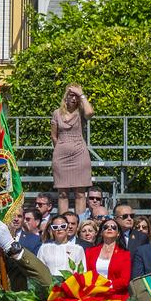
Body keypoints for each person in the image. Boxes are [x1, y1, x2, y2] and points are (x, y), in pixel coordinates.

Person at [51, 84, 94, 215]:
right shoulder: (57, 113)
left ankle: (80, 225)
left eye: (76, 96)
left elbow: (90, 113)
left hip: (80, 155)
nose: (74, 98)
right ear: (66, 97)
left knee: (80, 194)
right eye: (71, 95)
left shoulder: (81, 112)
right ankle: (63, 224)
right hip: (61, 157)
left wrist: (81, 94)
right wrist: (63, 148)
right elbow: (54, 136)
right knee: (62, 194)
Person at [86, 219, 131, 301]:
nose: (109, 228)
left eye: (113, 227)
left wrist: (106, 285)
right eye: (106, 227)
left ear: (118, 233)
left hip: (116, 297)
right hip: (94, 296)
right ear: (101, 232)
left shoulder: (125, 254)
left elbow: (125, 280)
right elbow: (86, 274)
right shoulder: (90, 252)